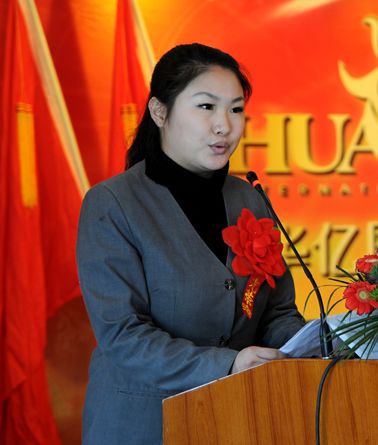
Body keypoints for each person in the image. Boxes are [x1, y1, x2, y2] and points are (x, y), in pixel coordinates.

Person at [77, 43, 305, 444]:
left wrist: (322, 341)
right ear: (159, 112)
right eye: (206, 107)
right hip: (143, 425)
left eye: (235, 109)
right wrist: (228, 364)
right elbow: (124, 335)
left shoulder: (249, 198)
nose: (224, 126)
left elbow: (276, 313)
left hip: (239, 422)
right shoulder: (112, 204)